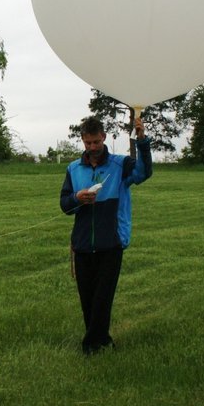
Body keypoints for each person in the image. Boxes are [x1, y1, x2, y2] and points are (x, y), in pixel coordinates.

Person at [60, 115, 152, 355]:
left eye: (96, 142)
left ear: (103, 137)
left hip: (110, 242)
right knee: (88, 299)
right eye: (88, 143)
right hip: (81, 245)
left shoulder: (120, 165)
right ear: (82, 140)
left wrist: (142, 142)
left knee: (103, 298)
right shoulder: (73, 168)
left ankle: (91, 345)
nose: (92, 147)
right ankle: (103, 340)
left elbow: (144, 173)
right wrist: (76, 198)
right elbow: (64, 205)